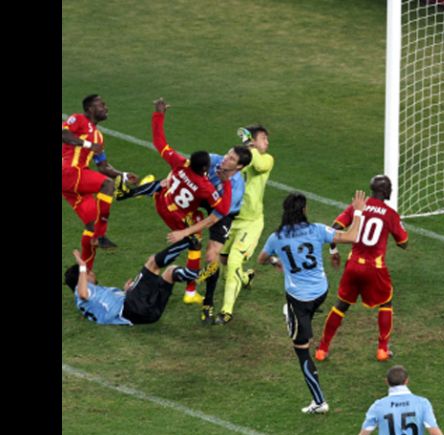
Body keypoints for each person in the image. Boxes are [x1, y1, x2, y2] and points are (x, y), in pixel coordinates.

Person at [118, 98, 239, 303]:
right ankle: (190, 288)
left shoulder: (181, 163)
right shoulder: (205, 187)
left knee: (161, 184)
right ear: (204, 170)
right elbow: (222, 209)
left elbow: (159, 142)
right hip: (176, 217)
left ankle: (126, 193)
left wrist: (159, 114)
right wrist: (226, 183)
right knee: (194, 241)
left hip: (162, 202)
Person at [256, 190, 367, 414]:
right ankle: (298, 318)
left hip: (299, 299)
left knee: (301, 350)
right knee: (305, 318)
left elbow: (261, 259)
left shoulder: (276, 237)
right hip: (321, 292)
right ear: (304, 210)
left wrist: (276, 260)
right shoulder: (317, 230)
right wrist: (357, 213)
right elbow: (351, 237)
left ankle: (319, 402)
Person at [315, 175, 408, 362]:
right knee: (386, 303)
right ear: (385, 191)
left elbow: (334, 228)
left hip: (353, 266)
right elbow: (403, 243)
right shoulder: (390, 214)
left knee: (341, 305)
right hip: (375, 268)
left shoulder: (357, 207)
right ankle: (382, 349)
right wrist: (399, 227)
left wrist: (333, 250)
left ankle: (322, 349)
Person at [62, 94, 140, 269]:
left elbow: (103, 167)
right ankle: (101, 235)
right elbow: (63, 134)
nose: (106, 108)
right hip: (69, 172)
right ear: (90, 109)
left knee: (91, 225)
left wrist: (124, 175)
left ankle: (85, 275)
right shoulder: (79, 119)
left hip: (72, 184)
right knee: (107, 185)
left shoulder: (98, 137)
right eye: (101, 105)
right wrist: (88, 146)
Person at [210, 124, 275, 325]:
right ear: (254, 140)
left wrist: (250, 147)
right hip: (231, 220)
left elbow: (260, 166)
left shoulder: (266, 159)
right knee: (222, 259)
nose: (268, 143)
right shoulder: (235, 160)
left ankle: (226, 312)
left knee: (234, 261)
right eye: (264, 138)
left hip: (251, 224)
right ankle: (245, 279)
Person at [64, 244, 200, 325]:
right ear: (82, 277)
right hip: (131, 309)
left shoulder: (96, 295)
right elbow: (82, 293)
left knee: (170, 273)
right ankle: (188, 241)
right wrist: (82, 266)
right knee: (153, 262)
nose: (92, 273)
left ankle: (198, 274)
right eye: (89, 272)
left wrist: (127, 292)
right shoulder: (80, 291)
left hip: (148, 316)